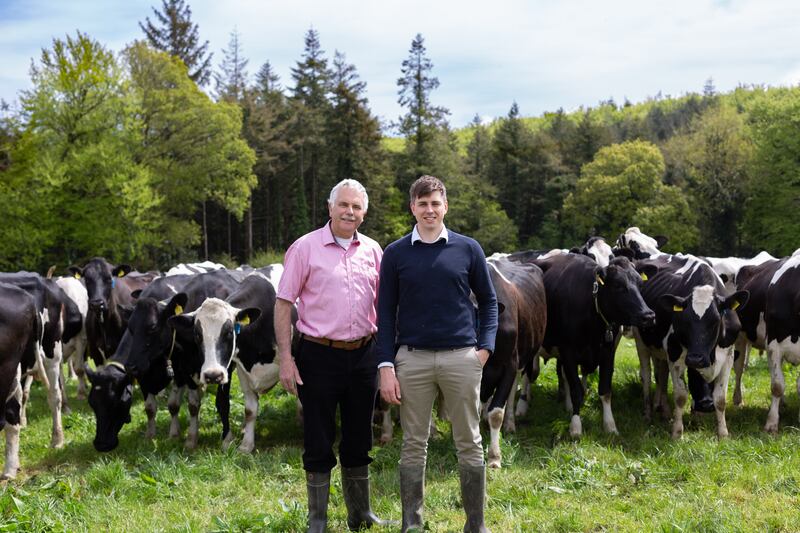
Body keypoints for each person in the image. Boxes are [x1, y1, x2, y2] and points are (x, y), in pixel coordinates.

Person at [377, 175, 498, 533]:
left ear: (446, 206)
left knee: (470, 441)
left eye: (435, 203)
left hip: (461, 356)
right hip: (411, 359)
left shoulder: (468, 249)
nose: (429, 210)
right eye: (422, 203)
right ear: (412, 207)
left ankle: (476, 525)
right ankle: (411, 525)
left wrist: (485, 349)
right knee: (414, 443)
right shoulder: (395, 253)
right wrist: (386, 363)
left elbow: (489, 301)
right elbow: (384, 313)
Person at [275, 179, 391, 532]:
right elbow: (283, 304)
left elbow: (384, 308)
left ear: (364, 212)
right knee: (318, 438)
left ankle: (360, 514)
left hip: (363, 356)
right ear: (330, 208)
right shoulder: (305, 248)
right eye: (343, 205)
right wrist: (285, 358)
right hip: (318, 356)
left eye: (356, 207)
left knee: (359, 438)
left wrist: (386, 358)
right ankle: (318, 520)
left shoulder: (374, 251)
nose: (349, 212)